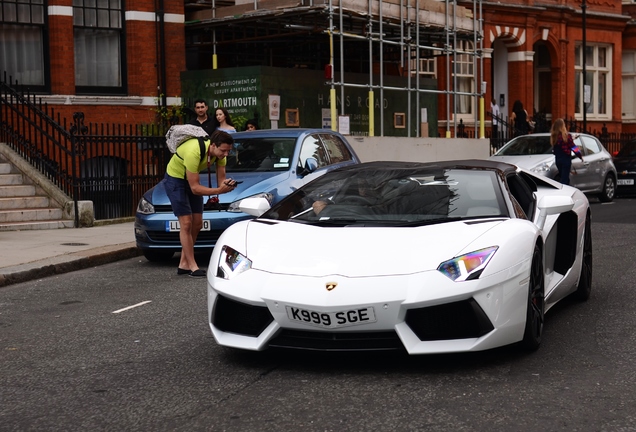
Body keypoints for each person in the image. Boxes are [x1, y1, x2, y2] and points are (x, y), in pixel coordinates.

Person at [163, 130, 238, 277]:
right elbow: (195, 188)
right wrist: (218, 190)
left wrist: (227, 185)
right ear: (213, 145)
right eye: (223, 150)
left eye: (228, 151)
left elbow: (221, 181)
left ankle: (183, 264)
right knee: (186, 223)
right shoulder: (193, 151)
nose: (226, 154)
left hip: (190, 182)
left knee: (197, 223)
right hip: (175, 179)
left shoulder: (220, 155)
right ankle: (192, 266)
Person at [550, 118, 583, 185]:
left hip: (558, 160)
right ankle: (564, 193)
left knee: (564, 178)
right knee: (564, 180)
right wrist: (580, 155)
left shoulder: (554, 137)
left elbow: (555, 149)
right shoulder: (567, 136)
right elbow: (573, 147)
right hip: (566, 160)